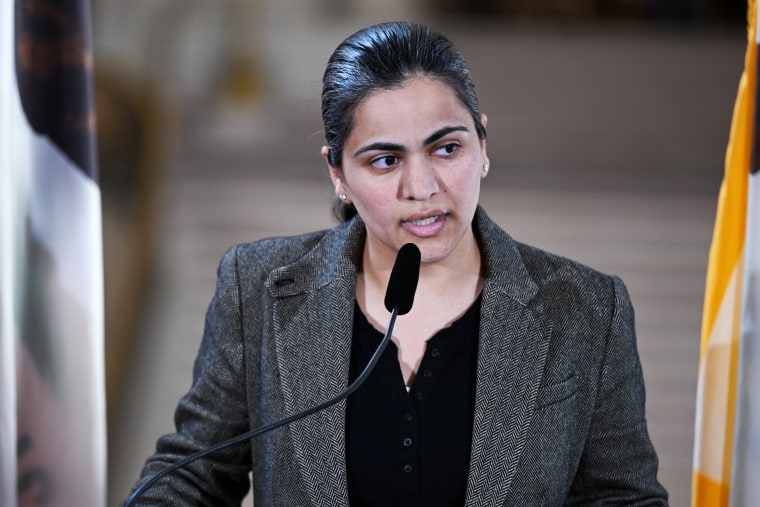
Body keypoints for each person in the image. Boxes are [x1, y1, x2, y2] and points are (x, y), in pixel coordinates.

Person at [127, 21, 668, 506]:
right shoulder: (259, 287)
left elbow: (623, 498)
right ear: (337, 172)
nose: (422, 187)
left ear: (482, 143)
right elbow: (192, 479)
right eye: (385, 160)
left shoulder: (586, 307)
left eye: (446, 149)